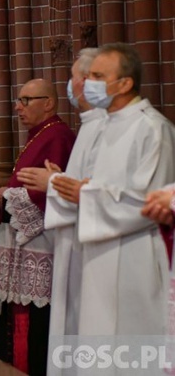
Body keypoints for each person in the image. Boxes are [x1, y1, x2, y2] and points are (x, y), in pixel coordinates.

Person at [51, 43, 175, 338]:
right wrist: (74, 190)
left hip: (135, 257)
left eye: (97, 76)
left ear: (125, 83)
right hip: (96, 255)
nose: (87, 83)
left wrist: (86, 195)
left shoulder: (153, 129)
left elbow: (151, 203)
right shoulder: (102, 126)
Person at [15, 49, 104, 365]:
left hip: (101, 254)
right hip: (72, 246)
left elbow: (117, 198)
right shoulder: (90, 127)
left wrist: (53, 183)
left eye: (79, 78)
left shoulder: (134, 129)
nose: (73, 85)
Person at [0, 78, 75, 375]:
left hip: (42, 247)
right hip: (24, 248)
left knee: (34, 327)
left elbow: (53, 192)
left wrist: (8, 196)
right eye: (18, 100)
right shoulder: (39, 136)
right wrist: (8, 196)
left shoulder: (58, 136)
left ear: (48, 103)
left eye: (26, 100)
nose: (17, 107)